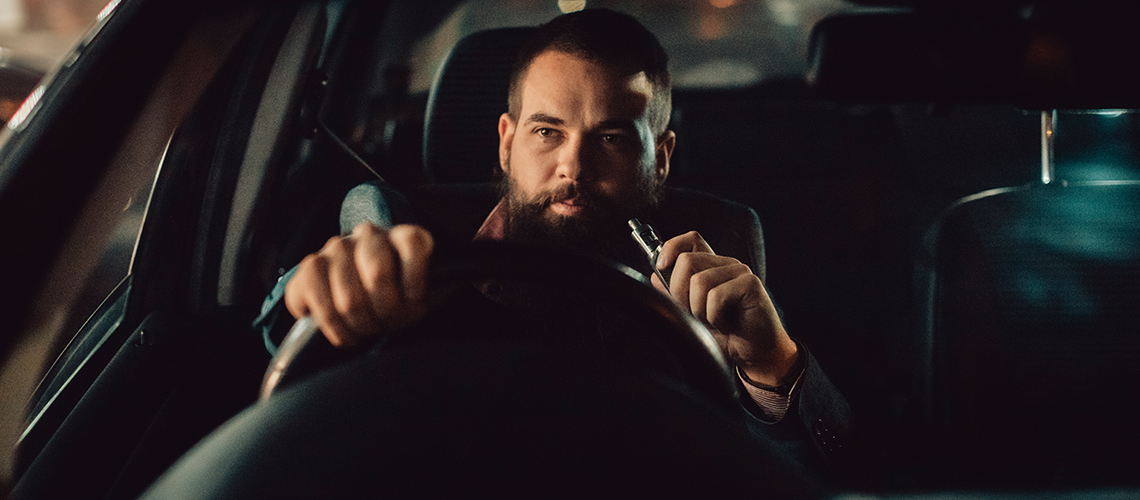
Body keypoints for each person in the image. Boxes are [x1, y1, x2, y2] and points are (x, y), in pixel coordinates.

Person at [274, 8, 850, 479]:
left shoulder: (717, 258)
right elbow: (295, 339)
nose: (572, 165)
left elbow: (814, 478)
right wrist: (317, 295)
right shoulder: (407, 235)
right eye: (547, 131)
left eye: (612, 138)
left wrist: (774, 365)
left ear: (662, 157)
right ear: (507, 141)